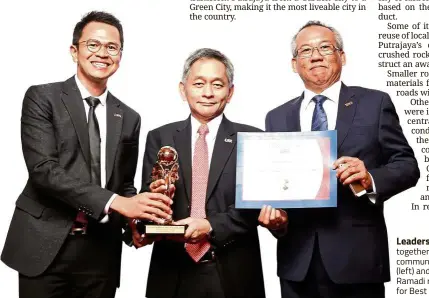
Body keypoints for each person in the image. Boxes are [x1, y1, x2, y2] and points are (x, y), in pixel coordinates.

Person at [1, 11, 172, 298]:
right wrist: (118, 202)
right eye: (93, 45)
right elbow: (44, 171)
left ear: (120, 55)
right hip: (45, 244)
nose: (102, 54)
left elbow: (123, 184)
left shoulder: (128, 116)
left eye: (111, 47)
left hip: (100, 250)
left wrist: (136, 221)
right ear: (74, 50)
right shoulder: (42, 98)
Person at [260, 21, 419, 298]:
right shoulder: (276, 117)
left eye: (325, 47)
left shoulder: (374, 103)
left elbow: (407, 165)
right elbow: (277, 184)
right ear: (294, 64)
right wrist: (277, 221)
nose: (316, 55)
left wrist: (370, 178)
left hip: (357, 262)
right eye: (306, 50)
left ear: (342, 56)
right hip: (297, 264)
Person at [131, 48, 265, 298]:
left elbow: (255, 206)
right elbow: (146, 198)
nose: (208, 93)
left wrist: (210, 225)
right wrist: (143, 221)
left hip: (233, 271)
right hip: (171, 272)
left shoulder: (253, 138)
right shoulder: (160, 137)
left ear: (230, 92)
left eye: (217, 84)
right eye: (199, 83)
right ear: (183, 89)